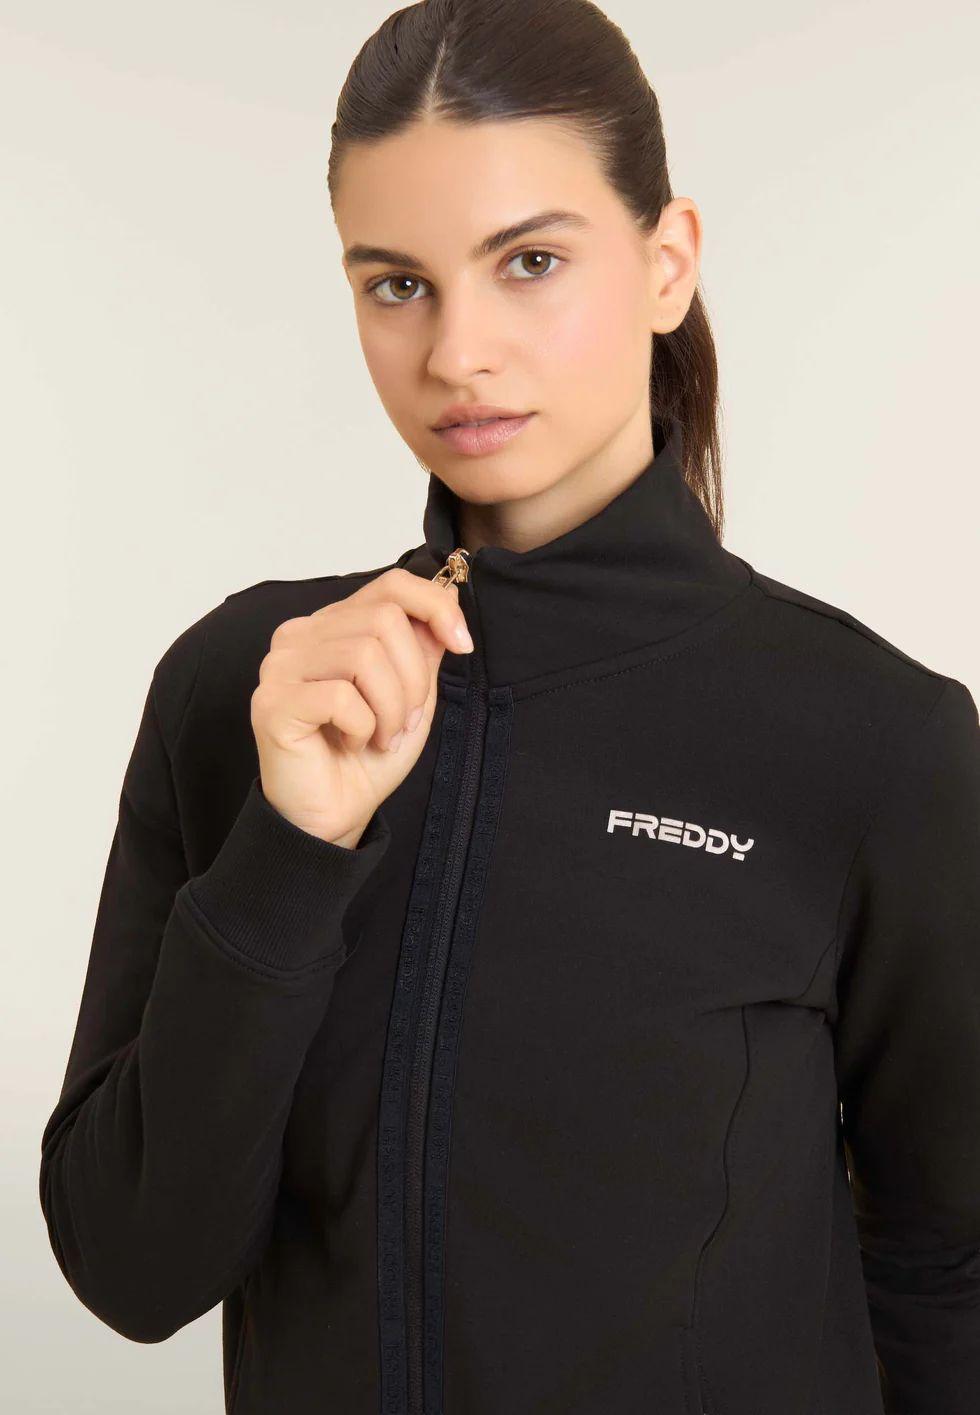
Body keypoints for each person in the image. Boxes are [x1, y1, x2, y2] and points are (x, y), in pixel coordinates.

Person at [39, 2, 980, 1413]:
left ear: (667, 264)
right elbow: (133, 1268)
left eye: (530, 262)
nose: (457, 352)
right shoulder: (253, 691)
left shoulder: (872, 739)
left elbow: (949, 1268)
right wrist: (291, 852)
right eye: (396, 284)